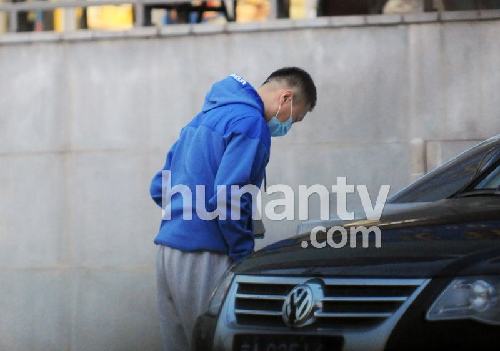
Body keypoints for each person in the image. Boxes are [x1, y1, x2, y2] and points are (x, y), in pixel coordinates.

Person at [150, 67, 317, 351]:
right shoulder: (252, 123)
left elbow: (158, 186)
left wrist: (185, 216)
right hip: (207, 253)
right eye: (295, 118)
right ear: (286, 98)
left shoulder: (201, 119)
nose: (289, 126)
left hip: (168, 251)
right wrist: (243, 254)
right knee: (215, 342)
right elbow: (229, 196)